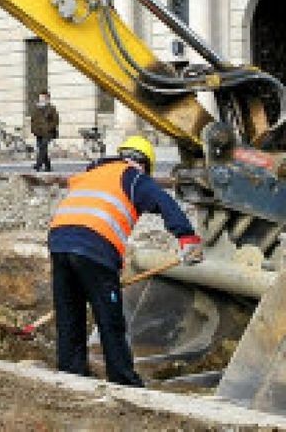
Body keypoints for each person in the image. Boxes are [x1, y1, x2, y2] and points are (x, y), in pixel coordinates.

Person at [48, 135, 203, 387]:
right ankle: (123, 379)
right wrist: (187, 237)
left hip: (59, 241)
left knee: (70, 315)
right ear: (144, 164)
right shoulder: (133, 176)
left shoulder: (94, 173)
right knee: (109, 319)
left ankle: (71, 374)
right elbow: (163, 201)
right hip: (94, 245)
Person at [31, 89, 59, 172]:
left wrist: (49, 128)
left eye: (43, 97)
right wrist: (33, 129)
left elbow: (56, 120)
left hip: (48, 133)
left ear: (47, 98)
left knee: (43, 147)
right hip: (38, 132)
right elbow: (33, 119)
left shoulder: (51, 108)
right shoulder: (36, 108)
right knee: (42, 149)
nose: (41, 98)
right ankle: (48, 167)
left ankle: (38, 164)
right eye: (40, 97)